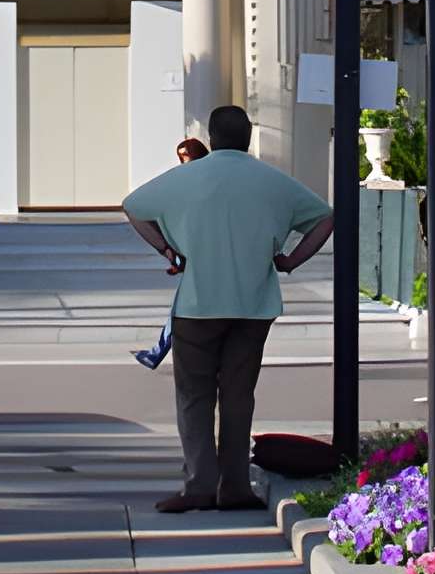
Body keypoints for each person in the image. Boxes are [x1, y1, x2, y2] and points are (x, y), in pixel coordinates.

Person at [121, 104, 334, 515]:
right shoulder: (274, 182)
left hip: (198, 304)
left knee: (194, 397)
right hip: (254, 305)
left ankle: (200, 485)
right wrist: (290, 261)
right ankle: (235, 486)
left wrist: (167, 249)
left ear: (213, 138)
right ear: (249, 137)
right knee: (238, 396)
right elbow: (324, 220)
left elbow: (133, 206)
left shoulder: (186, 177)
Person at [131, 137, 210, 371]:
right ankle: (159, 352)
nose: (183, 163)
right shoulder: (191, 181)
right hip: (193, 252)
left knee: (183, 309)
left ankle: (159, 353)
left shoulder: (200, 182)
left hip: (203, 253)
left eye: (186, 157)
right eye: (181, 158)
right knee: (184, 308)